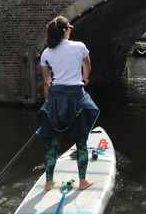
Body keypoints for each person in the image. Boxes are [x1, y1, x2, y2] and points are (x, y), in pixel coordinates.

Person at [38, 16, 99, 191]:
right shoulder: (79, 47)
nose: (71, 30)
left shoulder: (46, 53)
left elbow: (46, 82)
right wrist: (84, 77)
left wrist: (49, 107)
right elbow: (87, 64)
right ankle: (83, 182)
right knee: (81, 142)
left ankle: (49, 183)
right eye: (69, 28)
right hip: (76, 99)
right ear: (65, 31)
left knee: (52, 144)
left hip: (56, 99)